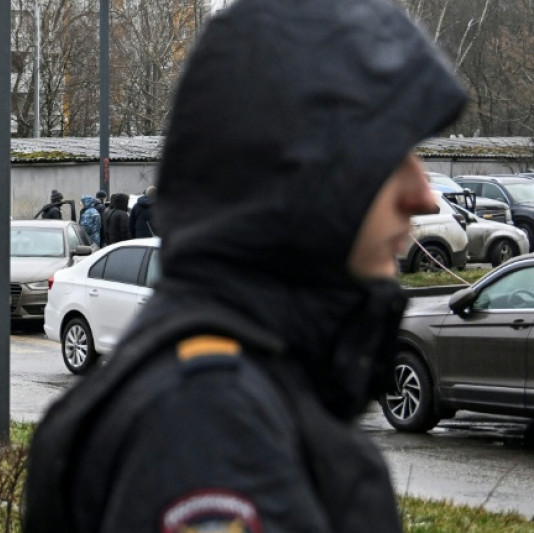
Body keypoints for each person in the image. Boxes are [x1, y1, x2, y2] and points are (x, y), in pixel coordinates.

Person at [23, 0, 467, 531]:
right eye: (391, 155)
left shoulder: (238, 393)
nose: (422, 194)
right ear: (300, 170)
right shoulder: (208, 428)